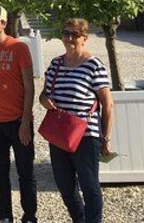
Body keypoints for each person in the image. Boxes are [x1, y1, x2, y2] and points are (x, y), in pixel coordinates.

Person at [39, 18, 115, 223]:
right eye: (66, 33)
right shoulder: (56, 63)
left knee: (90, 186)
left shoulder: (93, 66)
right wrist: (45, 101)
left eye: (75, 34)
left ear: (84, 38)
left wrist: (106, 137)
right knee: (65, 187)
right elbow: (43, 95)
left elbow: (107, 104)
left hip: (86, 135)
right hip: (59, 134)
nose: (69, 38)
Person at [0, 5, 37, 223]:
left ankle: (30, 215)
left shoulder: (18, 48)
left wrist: (25, 121)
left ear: (3, 23)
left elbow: (29, 86)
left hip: (18, 121)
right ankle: (5, 216)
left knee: (25, 171)